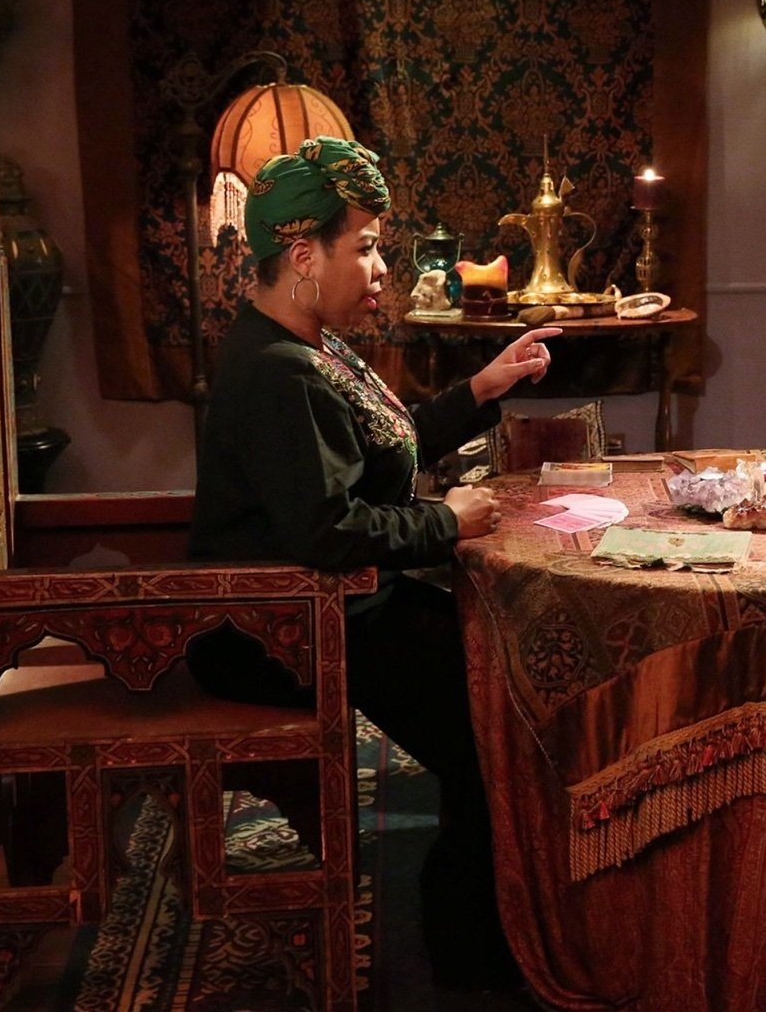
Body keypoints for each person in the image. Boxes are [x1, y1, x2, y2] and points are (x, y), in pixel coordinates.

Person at [187, 137, 558, 989]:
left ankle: (506, 917)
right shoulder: (279, 372)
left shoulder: (311, 345)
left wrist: (482, 389)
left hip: (342, 602)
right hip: (289, 628)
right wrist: (446, 521)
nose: (383, 267)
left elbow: (378, 448)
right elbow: (330, 532)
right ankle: (472, 956)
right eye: (365, 247)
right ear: (303, 254)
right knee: (494, 730)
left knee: (503, 668)